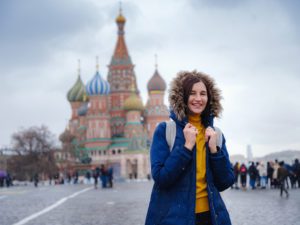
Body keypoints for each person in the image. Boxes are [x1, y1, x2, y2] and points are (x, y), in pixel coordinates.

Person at [145, 71, 234, 225]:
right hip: (174, 218)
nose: (198, 99)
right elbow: (161, 178)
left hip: (211, 217)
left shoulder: (216, 135)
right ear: (183, 97)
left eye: (203, 94)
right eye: (192, 93)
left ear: (209, 98)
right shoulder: (166, 131)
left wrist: (214, 151)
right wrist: (186, 148)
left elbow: (225, 182)